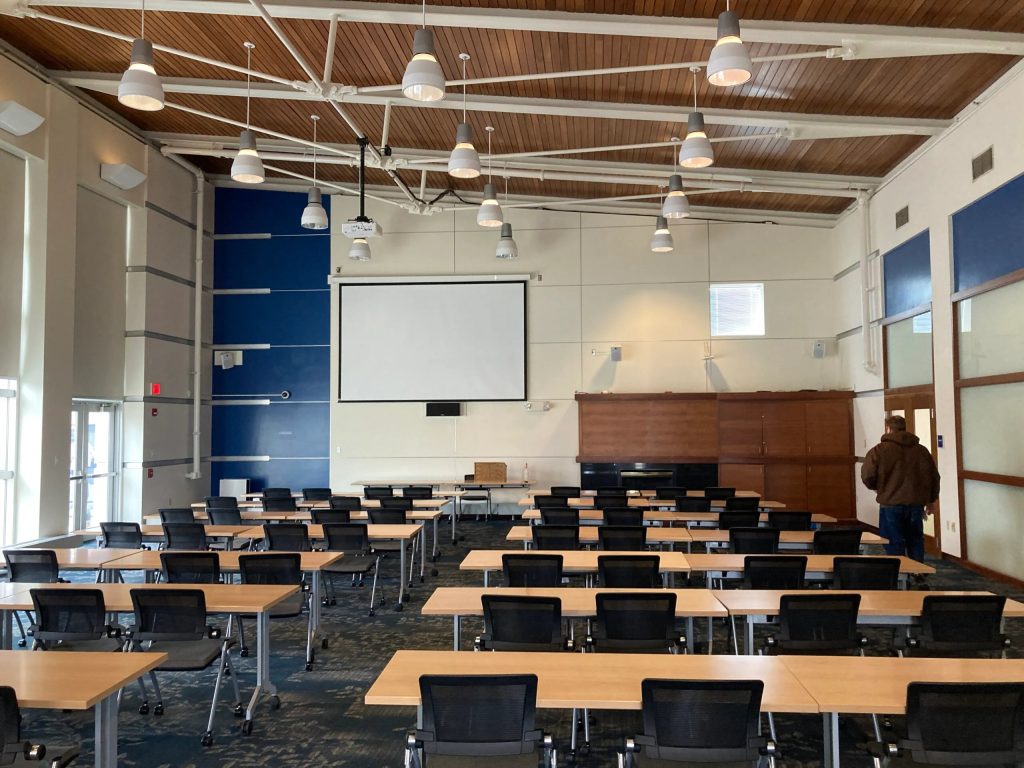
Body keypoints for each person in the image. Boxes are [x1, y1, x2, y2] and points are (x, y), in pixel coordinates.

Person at [861, 415, 940, 563]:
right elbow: (933, 476)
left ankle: (898, 571)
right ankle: (917, 571)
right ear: (904, 428)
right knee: (915, 540)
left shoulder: (879, 450)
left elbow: (867, 475)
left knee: (893, 541)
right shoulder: (921, 451)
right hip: (915, 504)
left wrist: (878, 488)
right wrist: (931, 500)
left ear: (888, 429)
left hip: (890, 504)